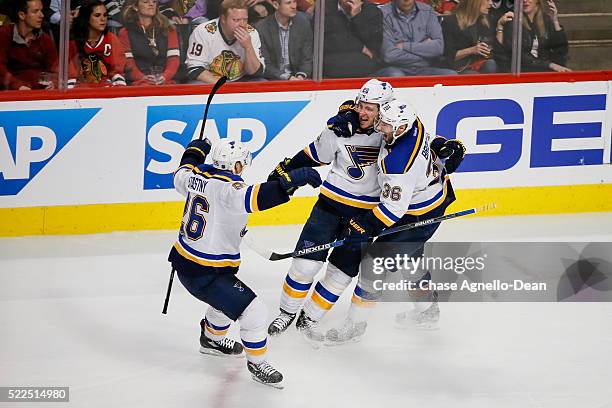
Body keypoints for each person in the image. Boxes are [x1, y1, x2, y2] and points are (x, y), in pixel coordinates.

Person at [169, 137, 322, 388]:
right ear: (237, 166)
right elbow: (257, 198)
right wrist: (292, 181)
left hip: (186, 262)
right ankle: (257, 364)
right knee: (254, 311)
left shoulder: (193, 178)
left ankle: (211, 339)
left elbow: (182, 170)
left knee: (226, 302)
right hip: (205, 271)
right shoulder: (229, 189)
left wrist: (196, 149)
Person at [322, 99, 465, 344]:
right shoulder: (414, 123)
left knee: (372, 264)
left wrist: (361, 226)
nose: (380, 128)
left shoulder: (397, 165)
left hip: (420, 213)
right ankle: (427, 311)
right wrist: (441, 149)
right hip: (427, 198)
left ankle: (355, 326)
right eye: (382, 122)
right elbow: (429, 145)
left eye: (386, 126)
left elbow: (392, 210)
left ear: (400, 129)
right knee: (409, 259)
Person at [266, 79, 393, 341]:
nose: (363, 113)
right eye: (361, 105)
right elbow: (315, 155)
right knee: (304, 266)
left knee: (340, 274)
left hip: (365, 218)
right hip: (329, 208)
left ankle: (309, 317)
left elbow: (418, 141)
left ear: (385, 109)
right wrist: (285, 168)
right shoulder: (339, 129)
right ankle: (286, 313)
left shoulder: (393, 134)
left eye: (371, 108)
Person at [185, 0, 265, 83]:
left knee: (262, 82)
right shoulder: (203, 31)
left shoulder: (251, 33)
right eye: (236, 20)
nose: (242, 24)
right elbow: (194, 69)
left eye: (245, 20)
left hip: (240, 80)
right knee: (196, 85)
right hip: (210, 81)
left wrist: (248, 48)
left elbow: (255, 72)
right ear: (223, 19)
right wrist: (223, 87)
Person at [380, 0, 457, 76]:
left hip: (425, 68)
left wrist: (404, 46)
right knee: (396, 75)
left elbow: (438, 48)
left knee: (451, 75)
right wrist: (425, 51)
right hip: (395, 67)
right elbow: (389, 55)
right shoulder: (383, 13)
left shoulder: (427, 11)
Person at [496, 0, 570, 72]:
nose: (525, 1)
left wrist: (555, 21)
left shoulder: (545, 20)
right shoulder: (512, 20)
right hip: (524, 72)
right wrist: (549, 65)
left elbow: (561, 51)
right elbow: (520, 56)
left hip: (545, 71)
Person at [119, 0, 180, 85]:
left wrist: (165, 76)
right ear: (135, 7)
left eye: (154, 1)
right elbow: (128, 63)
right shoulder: (125, 32)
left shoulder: (169, 29)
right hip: (139, 81)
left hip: (166, 80)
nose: (151, 4)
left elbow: (174, 59)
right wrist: (142, 78)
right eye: (146, 2)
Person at [0, 0, 57, 90]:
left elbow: (55, 69)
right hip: (11, 94)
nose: (41, 15)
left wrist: (53, 82)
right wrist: (17, 85)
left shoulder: (45, 39)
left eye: (41, 11)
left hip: (39, 94)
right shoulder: (4, 35)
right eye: (35, 11)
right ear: (22, 15)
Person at [68, 0, 127, 87]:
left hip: (106, 91)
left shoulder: (111, 39)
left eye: (105, 15)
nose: (103, 19)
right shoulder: (73, 42)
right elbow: (69, 78)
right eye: (97, 15)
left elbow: (117, 74)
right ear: (86, 18)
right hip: (80, 93)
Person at [323, 0, 385, 78]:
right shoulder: (324, 8)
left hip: (364, 64)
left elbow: (375, 43)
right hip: (332, 62)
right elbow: (330, 40)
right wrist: (360, 47)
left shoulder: (373, 11)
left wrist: (356, 17)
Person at [255, 0, 313, 80]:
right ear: (276, 5)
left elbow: (307, 57)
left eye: (294, 2)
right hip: (273, 79)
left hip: (298, 77)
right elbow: (265, 64)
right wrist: (288, 77)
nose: (294, 6)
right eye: (288, 3)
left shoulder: (303, 23)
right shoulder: (262, 28)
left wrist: (301, 75)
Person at [441, 0, 498, 74]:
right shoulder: (450, 22)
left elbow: (495, 49)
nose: (491, 3)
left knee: (492, 64)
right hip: (460, 67)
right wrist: (472, 50)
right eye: (487, 0)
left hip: (481, 64)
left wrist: (500, 27)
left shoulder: (486, 21)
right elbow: (448, 56)